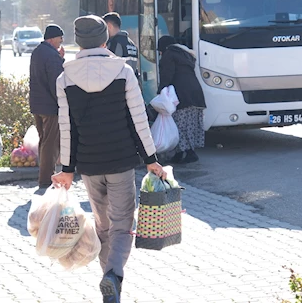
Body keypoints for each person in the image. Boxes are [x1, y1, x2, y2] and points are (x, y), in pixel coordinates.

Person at [52, 15, 166, 303]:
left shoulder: (65, 79)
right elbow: (138, 119)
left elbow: (67, 128)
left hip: (89, 166)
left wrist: (67, 169)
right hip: (121, 162)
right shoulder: (123, 71)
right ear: (105, 40)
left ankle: (109, 284)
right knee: (123, 224)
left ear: (78, 42)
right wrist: (151, 158)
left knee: (103, 226)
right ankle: (112, 277)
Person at [157, 35, 206, 164]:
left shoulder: (169, 55)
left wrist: (160, 92)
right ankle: (180, 153)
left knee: (179, 125)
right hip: (195, 94)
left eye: (160, 50)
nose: (160, 53)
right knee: (190, 124)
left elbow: (167, 75)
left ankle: (190, 153)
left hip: (182, 95)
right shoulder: (184, 55)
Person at [29, 23, 66, 188]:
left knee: (44, 141)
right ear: (52, 38)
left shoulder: (38, 51)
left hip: (37, 104)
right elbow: (56, 81)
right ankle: (45, 180)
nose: (61, 41)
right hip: (50, 106)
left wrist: (60, 58)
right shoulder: (51, 56)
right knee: (50, 143)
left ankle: (45, 175)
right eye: (59, 38)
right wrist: (63, 103)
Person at [102, 12, 138, 76]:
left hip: (120, 84)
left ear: (109, 26)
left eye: (104, 27)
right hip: (131, 82)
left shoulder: (114, 43)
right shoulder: (132, 44)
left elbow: (110, 69)